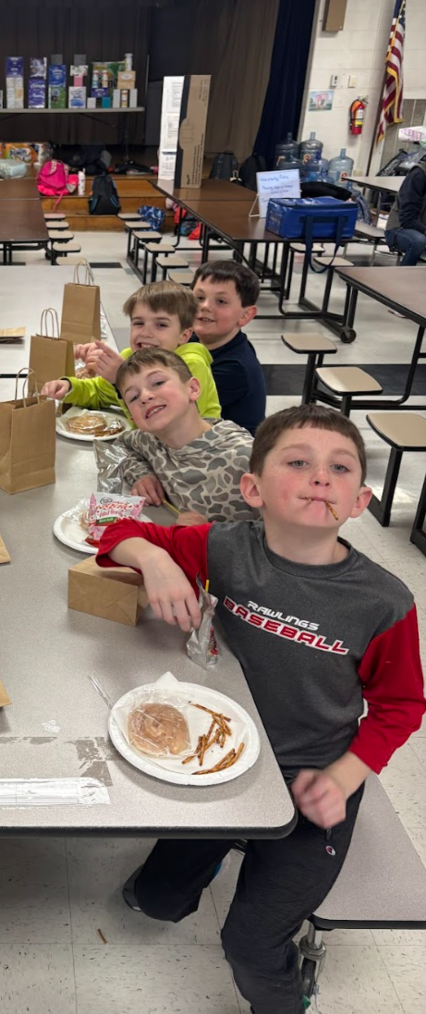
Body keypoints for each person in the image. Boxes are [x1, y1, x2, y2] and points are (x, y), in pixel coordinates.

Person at [97, 405, 425, 1014]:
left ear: (360, 501)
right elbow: (113, 533)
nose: (320, 477)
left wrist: (346, 775)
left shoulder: (385, 601)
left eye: (339, 468)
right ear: (253, 490)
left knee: (249, 942)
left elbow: (401, 705)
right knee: (157, 900)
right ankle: (217, 854)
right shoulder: (226, 547)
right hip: (222, 759)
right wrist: (158, 557)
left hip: (314, 774)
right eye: (298, 463)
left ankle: (284, 996)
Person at [40, 281, 220, 425]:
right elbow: (100, 392)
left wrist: (120, 380)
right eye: (139, 323)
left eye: (161, 325)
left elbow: (165, 424)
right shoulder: (130, 357)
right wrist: (69, 387)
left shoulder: (190, 365)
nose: (146, 333)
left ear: (184, 335)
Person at [116, 347, 253, 523]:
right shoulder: (150, 441)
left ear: (193, 388)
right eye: (133, 397)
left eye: (157, 383)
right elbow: (121, 445)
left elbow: (289, 536)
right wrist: (142, 475)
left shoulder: (246, 457)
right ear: (132, 417)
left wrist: (212, 535)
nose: (145, 397)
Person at [191, 260, 265, 435]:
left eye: (221, 301)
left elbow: (177, 413)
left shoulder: (235, 368)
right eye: (199, 298)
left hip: (227, 456)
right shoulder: (193, 338)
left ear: (245, 316)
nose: (205, 306)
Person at [384, 157, 426, 266]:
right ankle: (402, 276)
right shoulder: (419, 175)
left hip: (422, 228)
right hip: (400, 228)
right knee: (418, 241)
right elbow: (407, 219)